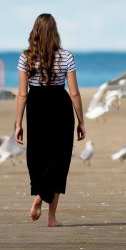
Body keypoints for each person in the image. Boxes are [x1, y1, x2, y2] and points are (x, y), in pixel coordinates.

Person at [14, 13, 86, 227]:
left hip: (36, 108)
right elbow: (74, 93)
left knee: (38, 157)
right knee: (60, 160)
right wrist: (81, 121)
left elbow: (22, 94)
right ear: (55, 32)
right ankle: (51, 217)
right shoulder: (66, 56)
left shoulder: (26, 57)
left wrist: (18, 124)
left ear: (35, 31)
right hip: (60, 106)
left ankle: (40, 196)